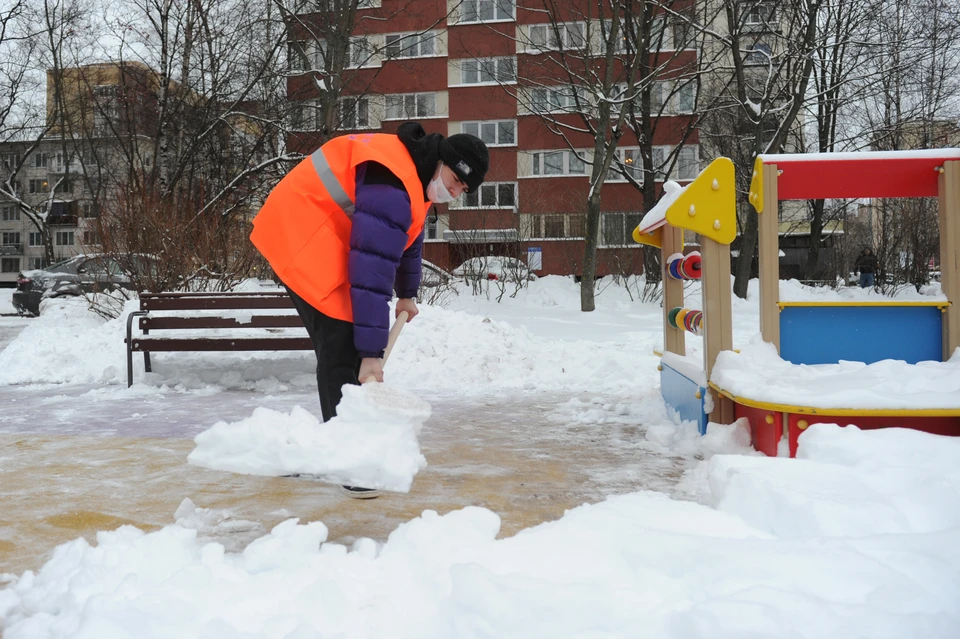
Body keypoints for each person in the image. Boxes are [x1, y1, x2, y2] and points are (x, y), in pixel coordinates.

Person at [250, 122, 488, 498]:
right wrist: (372, 355)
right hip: (299, 232)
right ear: (443, 160)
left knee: (348, 341)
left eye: (463, 190)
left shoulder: (416, 176)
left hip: (321, 231)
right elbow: (371, 273)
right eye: (456, 181)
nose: (455, 193)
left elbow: (408, 237)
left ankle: (346, 445)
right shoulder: (393, 181)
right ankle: (347, 457)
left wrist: (407, 293)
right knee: (342, 345)